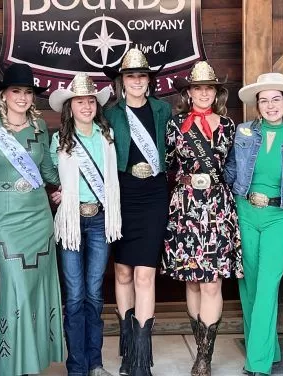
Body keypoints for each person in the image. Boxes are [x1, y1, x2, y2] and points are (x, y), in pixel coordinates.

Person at [0, 63, 64, 376]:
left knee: (37, 288)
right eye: (16, 91)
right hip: (7, 221)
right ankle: (11, 366)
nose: (22, 97)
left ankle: (33, 363)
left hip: (39, 219)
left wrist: (70, 187)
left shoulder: (40, 128)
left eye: (27, 92)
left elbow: (48, 171)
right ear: (3, 95)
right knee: (17, 287)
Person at [225, 73, 283, 376]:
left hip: (279, 217)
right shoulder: (243, 132)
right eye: (264, 100)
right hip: (245, 212)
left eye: (276, 99)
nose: (271, 105)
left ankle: (257, 364)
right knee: (248, 284)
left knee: (267, 284)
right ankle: (268, 348)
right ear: (256, 105)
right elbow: (230, 169)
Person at [161, 61, 242, 376]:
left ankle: (204, 358)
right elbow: (167, 162)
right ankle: (200, 349)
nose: (204, 92)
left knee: (211, 282)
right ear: (189, 92)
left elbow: (234, 167)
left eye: (209, 87)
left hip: (216, 206)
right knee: (192, 282)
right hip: (185, 206)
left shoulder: (228, 125)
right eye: (198, 88)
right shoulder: (175, 125)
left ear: (216, 92)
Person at [102, 48, 172, 376]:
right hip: (123, 194)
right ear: (122, 81)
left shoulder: (162, 110)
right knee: (122, 273)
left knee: (145, 273)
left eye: (142, 76)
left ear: (149, 80)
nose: (136, 81)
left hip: (154, 195)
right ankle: (127, 348)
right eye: (131, 76)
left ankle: (142, 357)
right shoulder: (111, 113)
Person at [48, 72, 120, 376]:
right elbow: (49, 172)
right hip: (71, 222)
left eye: (91, 100)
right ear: (70, 106)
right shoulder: (59, 140)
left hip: (100, 219)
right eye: (80, 101)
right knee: (75, 295)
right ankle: (77, 366)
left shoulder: (107, 137)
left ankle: (96, 363)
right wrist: (58, 190)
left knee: (94, 293)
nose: (86, 106)